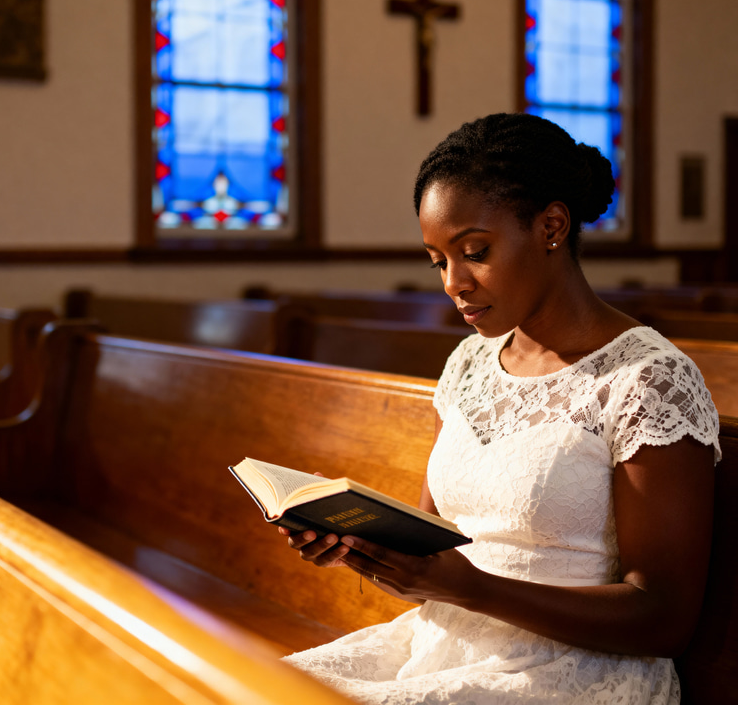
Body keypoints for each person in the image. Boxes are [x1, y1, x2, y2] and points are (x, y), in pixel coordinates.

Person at [279, 113, 721, 705]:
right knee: (241, 684)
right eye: (438, 260)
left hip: (574, 672)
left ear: (551, 227)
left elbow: (663, 618)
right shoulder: (469, 362)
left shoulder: (648, 379)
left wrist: (474, 590)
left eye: (475, 252)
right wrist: (361, 545)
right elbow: (434, 550)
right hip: (442, 644)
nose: (453, 283)